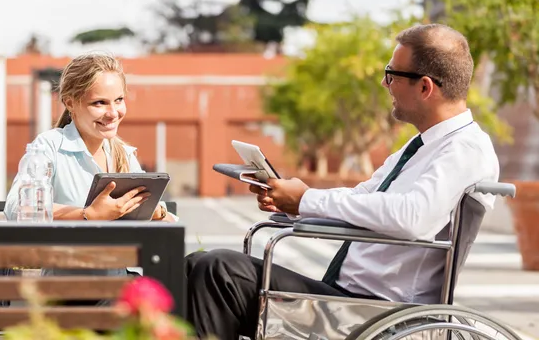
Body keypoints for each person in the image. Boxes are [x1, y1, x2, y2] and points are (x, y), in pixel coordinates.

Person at [184, 23, 500, 339]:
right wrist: (295, 201)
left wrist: (306, 199)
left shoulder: (465, 148)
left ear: (425, 87)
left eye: (391, 74)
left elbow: (413, 217)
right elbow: (365, 194)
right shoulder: (423, 146)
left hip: (378, 312)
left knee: (218, 271)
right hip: (349, 301)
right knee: (191, 266)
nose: (384, 82)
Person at [4, 52, 177, 279]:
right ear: (70, 103)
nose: (113, 113)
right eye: (99, 103)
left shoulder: (122, 154)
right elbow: (17, 208)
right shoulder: (49, 146)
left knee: (209, 268)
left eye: (119, 100)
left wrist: (157, 211)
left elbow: (167, 221)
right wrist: (88, 216)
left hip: (124, 272)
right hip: (77, 277)